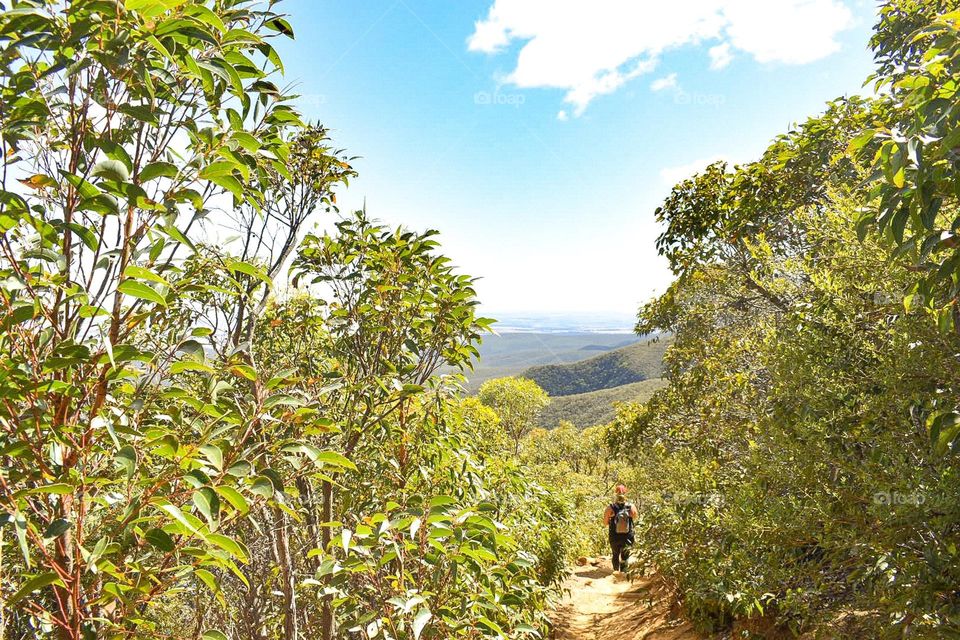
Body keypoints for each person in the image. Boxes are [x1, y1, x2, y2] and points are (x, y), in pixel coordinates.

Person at [603, 484, 638, 574]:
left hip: (614, 536)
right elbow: (635, 517)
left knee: (615, 555)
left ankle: (615, 573)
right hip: (627, 536)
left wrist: (613, 519)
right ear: (625, 493)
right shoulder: (631, 506)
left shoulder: (610, 507)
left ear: (616, 493)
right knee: (625, 556)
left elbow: (605, 522)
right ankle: (623, 574)